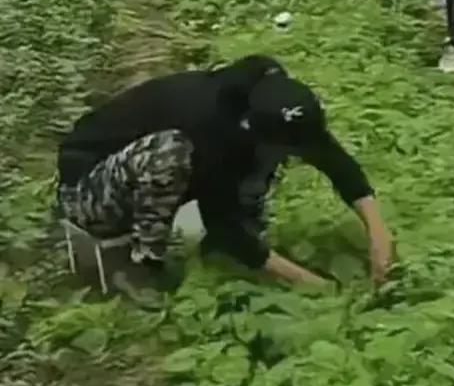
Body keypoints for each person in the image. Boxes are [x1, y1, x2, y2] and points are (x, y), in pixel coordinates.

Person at [56, 55, 393, 298]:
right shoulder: (208, 128)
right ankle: (142, 263)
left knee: (250, 162)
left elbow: (330, 156)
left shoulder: (263, 97)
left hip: (142, 170)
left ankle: (238, 237)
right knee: (170, 153)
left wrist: (377, 231)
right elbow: (222, 223)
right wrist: (310, 283)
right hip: (87, 190)